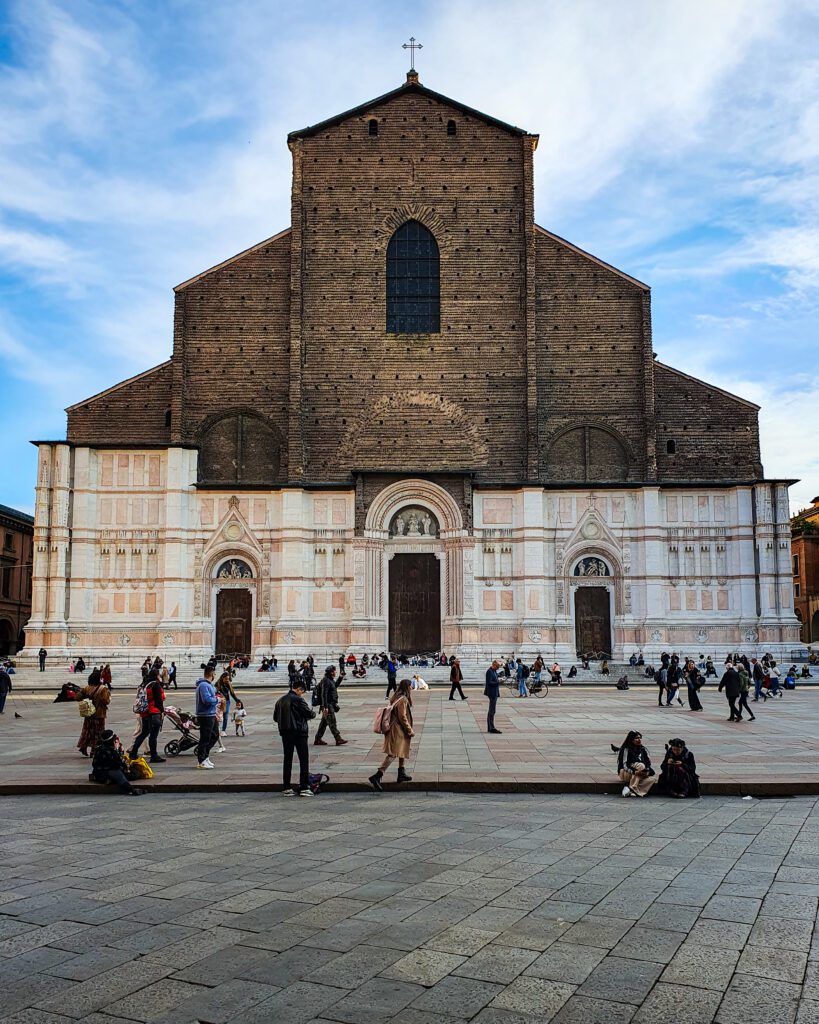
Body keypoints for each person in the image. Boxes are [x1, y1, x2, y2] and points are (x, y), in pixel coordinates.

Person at [368, 679, 414, 791]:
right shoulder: (403, 700)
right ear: (407, 687)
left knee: (402, 749)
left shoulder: (396, 696)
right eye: (411, 686)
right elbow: (402, 717)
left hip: (396, 728)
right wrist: (409, 729)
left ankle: (401, 772)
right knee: (393, 753)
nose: (412, 688)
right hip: (397, 729)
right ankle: (378, 775)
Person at [274, 678, 316, 796]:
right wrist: (312, 713)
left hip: (285, 733)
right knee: (303, 759)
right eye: (302, 692)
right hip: (299, 732)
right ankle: (304, 787)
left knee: (287, 759)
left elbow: (275, 718)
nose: (302, 694)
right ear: (299, 689)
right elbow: (309, 713)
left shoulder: (280, 700)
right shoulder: (298, 699)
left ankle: (287, 787)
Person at [129, 669, 166, 763]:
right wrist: (162, 711)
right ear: (157, 675)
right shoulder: (155, 685)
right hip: (154, 712)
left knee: (144, 733)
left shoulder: (144, 684)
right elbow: (158, 700)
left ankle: (133, 752)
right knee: (153, 735)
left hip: (144, 712)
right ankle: (154, 755)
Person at [90, 730, 142, 796]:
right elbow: (117, 764)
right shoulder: (109, 751)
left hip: (98, 772)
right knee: (133, 774)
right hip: (107, 772)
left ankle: (110, 780)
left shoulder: (100, 748)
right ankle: (131, 790)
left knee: (129, 772)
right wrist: (118, 751)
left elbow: (94, 764)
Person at [77, 669, 110, 756]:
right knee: (98, 732)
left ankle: (83, 747)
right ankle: (94, 750)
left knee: (87, 731)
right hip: (99, 714)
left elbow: (77, 697)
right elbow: (106, 701)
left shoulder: (86, 688)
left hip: (88, 713)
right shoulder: (103, 689)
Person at [615, 730, 656, 797]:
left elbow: (648, 762)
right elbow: (624, 765)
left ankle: (633, 789)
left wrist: (647, 770)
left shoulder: (643, 749)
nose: (639, 740)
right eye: (636, 738)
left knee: (652, 779)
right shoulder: (626, 749)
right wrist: (635, 772)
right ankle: (634, 787)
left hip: (639, 773)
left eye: (640, 738)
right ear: (631, 740)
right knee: (641, 765)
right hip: (626, 772)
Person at [314, 665, 347, 746]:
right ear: (331, 672)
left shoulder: (330, 680)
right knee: (332, 722)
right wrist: (325, 707)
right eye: (335, 671)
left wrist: (340, 677)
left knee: (324, 723)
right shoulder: (326, 680)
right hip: (328, 705)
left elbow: (334, 686)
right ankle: (338, 738)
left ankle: (318, 739)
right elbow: (323, 694)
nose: (336, 672)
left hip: (330, 704)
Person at [194, 664, 219, 769]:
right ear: (211, 674)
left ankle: (206, 756)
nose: (215, 675)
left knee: (214, 735)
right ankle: (201, 760)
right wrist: (218, 700)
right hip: (205, 715)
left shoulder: (208, 685)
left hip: (211, 714)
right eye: (214, 673)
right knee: (205, 738)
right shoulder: (204, 685)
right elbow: (206, 700)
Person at [485, 659, 502, 734]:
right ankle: (491, 727)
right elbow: (489, 682)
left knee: (492, 710)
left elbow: (495, 678)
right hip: (491, 693)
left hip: (494, 692)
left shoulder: (494, 671)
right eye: (497, 667)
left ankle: (490, 727)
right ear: (494, 665)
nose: (498, 668)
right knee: (492, 710)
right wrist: (498, 682)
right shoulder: (489, 671)